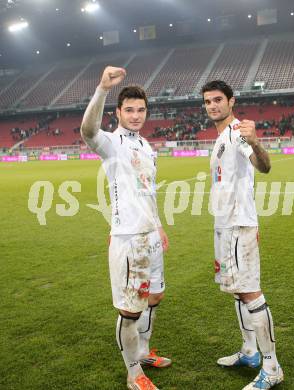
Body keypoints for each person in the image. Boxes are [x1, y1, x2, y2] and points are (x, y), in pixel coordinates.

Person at [81, 66, 171, 390]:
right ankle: (134, 374)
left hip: (150, 236)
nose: (135, 115)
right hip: (129, 240)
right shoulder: (111, 143)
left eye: (141, 110)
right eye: (129, 110)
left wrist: (159, 226)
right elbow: (87, 130)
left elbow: (149, 191)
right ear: (118, 112)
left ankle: (144, 352)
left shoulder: (147, 147)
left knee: (155, 297)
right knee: (130, 311)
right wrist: (102, 89)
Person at [201, 80, 283, 390]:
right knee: (237, 291)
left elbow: (264, 166)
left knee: (250, 292)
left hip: (239, 224)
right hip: (224, 225)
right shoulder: (222, 136)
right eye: (208, 101)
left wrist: (257, 141)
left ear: (231, 101)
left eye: (218, 99)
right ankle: (250, 352)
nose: (213, 105)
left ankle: (272, 366)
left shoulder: (238, 133)